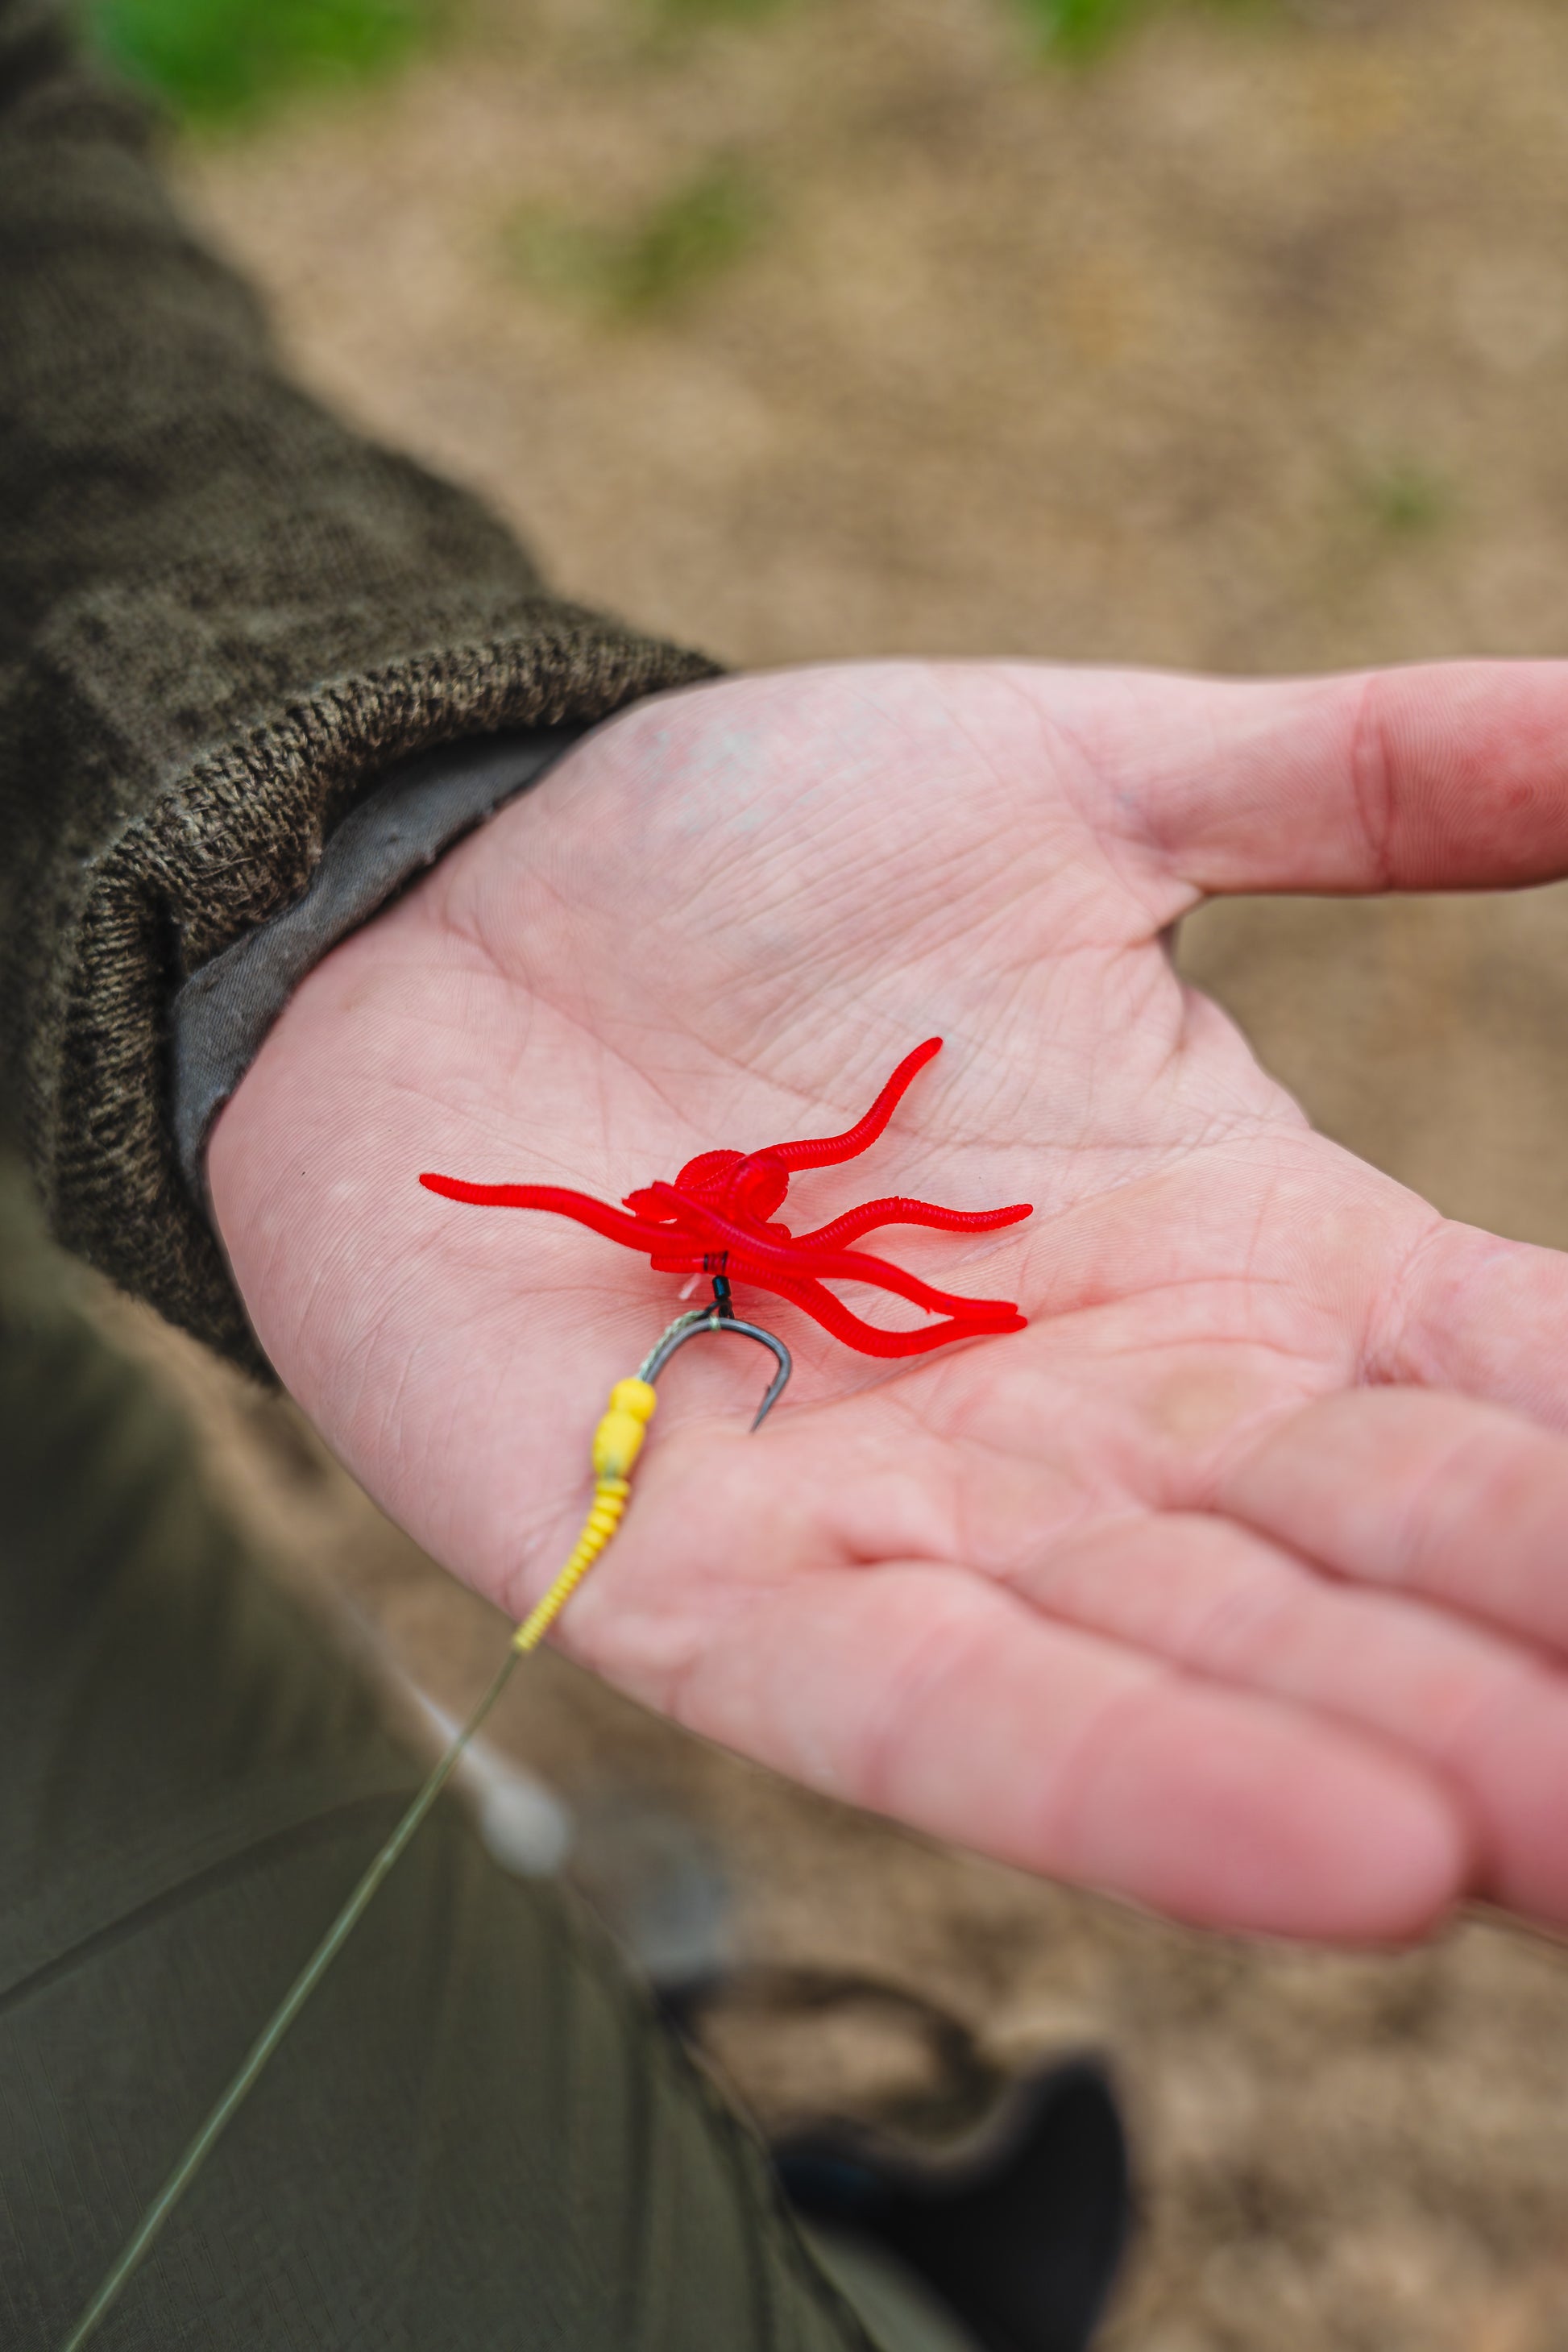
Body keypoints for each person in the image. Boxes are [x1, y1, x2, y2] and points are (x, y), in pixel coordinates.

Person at [6, 1, 1568, 2342]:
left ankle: (774, 2161)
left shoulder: (716, 1219)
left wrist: (354, 840)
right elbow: (679, 1210)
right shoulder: (675, 1241)